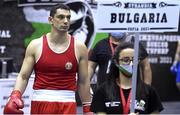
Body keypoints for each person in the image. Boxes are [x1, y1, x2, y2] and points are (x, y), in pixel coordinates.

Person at [3, 4, 92, 114]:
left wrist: (87, 109)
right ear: (51, 20)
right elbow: (23, 76)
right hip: (40, 102)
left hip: (67, 103)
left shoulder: (79, 47)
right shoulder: (36, 45)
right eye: (60, 17)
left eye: (68, 17)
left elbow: (83, 81)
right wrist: (15, 95)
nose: (65, 21)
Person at [90, 42, 163, 114]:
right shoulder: (102, 91)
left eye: (134, 60)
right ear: (116, 62)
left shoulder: (149, 92)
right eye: (126, 60)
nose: (131, 64)